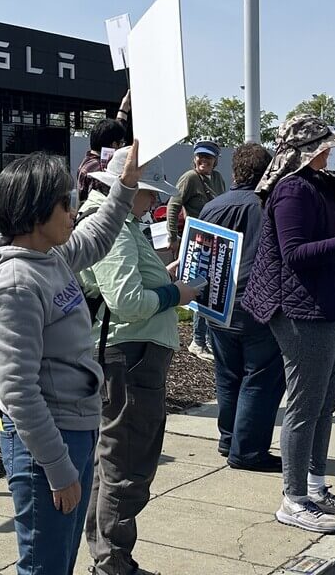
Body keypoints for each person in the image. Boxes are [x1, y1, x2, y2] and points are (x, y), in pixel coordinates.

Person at [0, 144, 142, 575]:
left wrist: (125, 185)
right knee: (44, 565)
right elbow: (18, 391)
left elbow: (97, 236)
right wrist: (59, 469)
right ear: (35, 212)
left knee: (59, 561)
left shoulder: (50, 255)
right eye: (65, 203)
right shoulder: (16, 283)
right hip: (45, 443)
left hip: (75, 429)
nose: (74, 211)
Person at [241, 114, 335, 535]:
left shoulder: (317, 185)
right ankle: (294, 498)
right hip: (303, 312)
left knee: (325, 403)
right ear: (312, 149)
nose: (334, 151)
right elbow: (295, 253)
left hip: (330, 308)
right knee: (305, 407)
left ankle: (316, 488)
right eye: (329, 144)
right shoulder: (292, 190)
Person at [78, 149, 199, 575]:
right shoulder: (111, 228)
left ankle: (108, 557)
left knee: (114, 458)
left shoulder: (115, 226)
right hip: (130, 356)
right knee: (126, 461)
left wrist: (164, 277)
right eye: (149, 192)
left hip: (126, 354)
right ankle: (113, 562)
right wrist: (175, 293)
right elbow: (126, 301)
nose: (153, 201)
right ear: (127, 189)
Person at [197, 143, 284, 472]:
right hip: (258, 303)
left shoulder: (212, 207)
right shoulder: (268, 206)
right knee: (260, 378)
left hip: (218, 303)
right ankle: (248, 451)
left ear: (235, 171)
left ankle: (229, 437)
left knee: (227, 374)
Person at [168, 139, 228, 362]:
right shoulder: (190, 178)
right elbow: (173, 205)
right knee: (199, 289)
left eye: (208, 157)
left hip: (215, 242)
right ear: (194, 158)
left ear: (215, 160)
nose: (204, 160)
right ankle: (198, 340)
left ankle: (210, 341)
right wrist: (172, 236)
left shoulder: (218, 179)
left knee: (213, 291)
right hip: (197, 242)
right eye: (200, 156)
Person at [76, 90, 131, 203]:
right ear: (113, 145)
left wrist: (124, 108)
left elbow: (117, 129)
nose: (122, 147)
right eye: (121, 143)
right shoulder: (98, 172)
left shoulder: (89, 162)